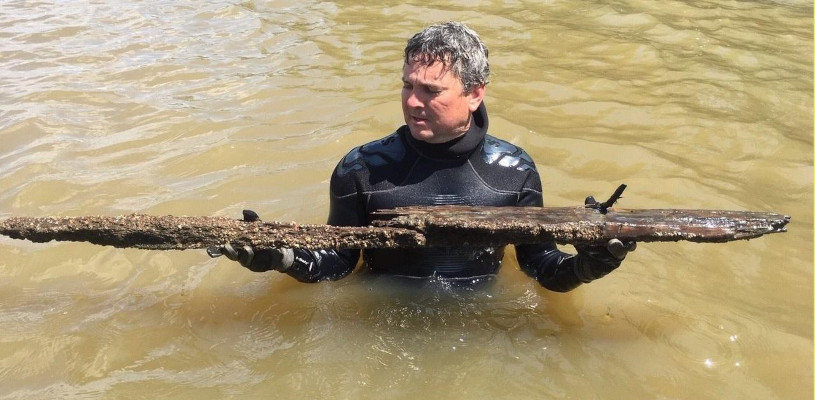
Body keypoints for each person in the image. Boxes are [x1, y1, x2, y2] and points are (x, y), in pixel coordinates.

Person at [210, 22, 634, 292]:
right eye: (407, 86)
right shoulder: (362, 169)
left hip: (478, 328)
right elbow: (337, 264)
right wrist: (281, 257)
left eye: (431, 91)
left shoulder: (515, 172)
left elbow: (540, 267)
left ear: (475, 93)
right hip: (380, 322)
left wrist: (588, 266)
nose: (413, 102)